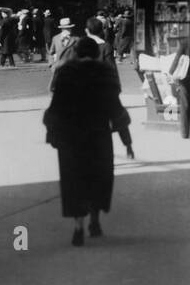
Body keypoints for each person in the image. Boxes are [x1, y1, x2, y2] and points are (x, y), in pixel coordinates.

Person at [44, 36, 134, 247]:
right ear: (95, 53)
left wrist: (53, 135)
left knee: (74, 180)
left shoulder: (65, 73)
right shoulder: (104, 74)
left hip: (71, 138)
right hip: (98, 137)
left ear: (76, 52)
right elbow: (116, 109)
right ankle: (94, 221)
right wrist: (127, 142)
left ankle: (78, 227)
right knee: (97, 178)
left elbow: (56, 108)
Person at [84, 17, 120, 89]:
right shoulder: (106, 47)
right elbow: (111, 69)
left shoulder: (79, 45)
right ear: (101, 31)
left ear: (87, 30)